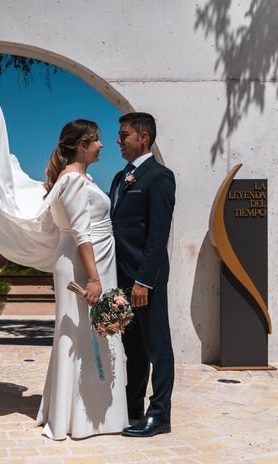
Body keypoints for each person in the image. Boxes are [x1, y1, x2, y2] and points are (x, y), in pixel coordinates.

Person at [35, 119, 128, 440]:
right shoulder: (73, 180)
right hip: (82, 264)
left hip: (92, 260)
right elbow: (80, 231)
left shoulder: (78, 178)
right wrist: (93, 277)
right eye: (96, 140)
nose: (102, 145)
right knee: (79, 332)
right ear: (81, 145)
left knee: (91, 331)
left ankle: (93, 411)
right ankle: (78, 417)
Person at [109, 112, 176, 438]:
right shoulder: (120, 178)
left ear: (143, 138)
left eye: (124, 136)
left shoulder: (159, 177)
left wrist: (143, 281)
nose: (118, 141)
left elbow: (157, 234)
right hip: (122, 279)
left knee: (157, 346)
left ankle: (160, 413)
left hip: (145, 280)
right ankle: (132, 403)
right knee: (132, 347)